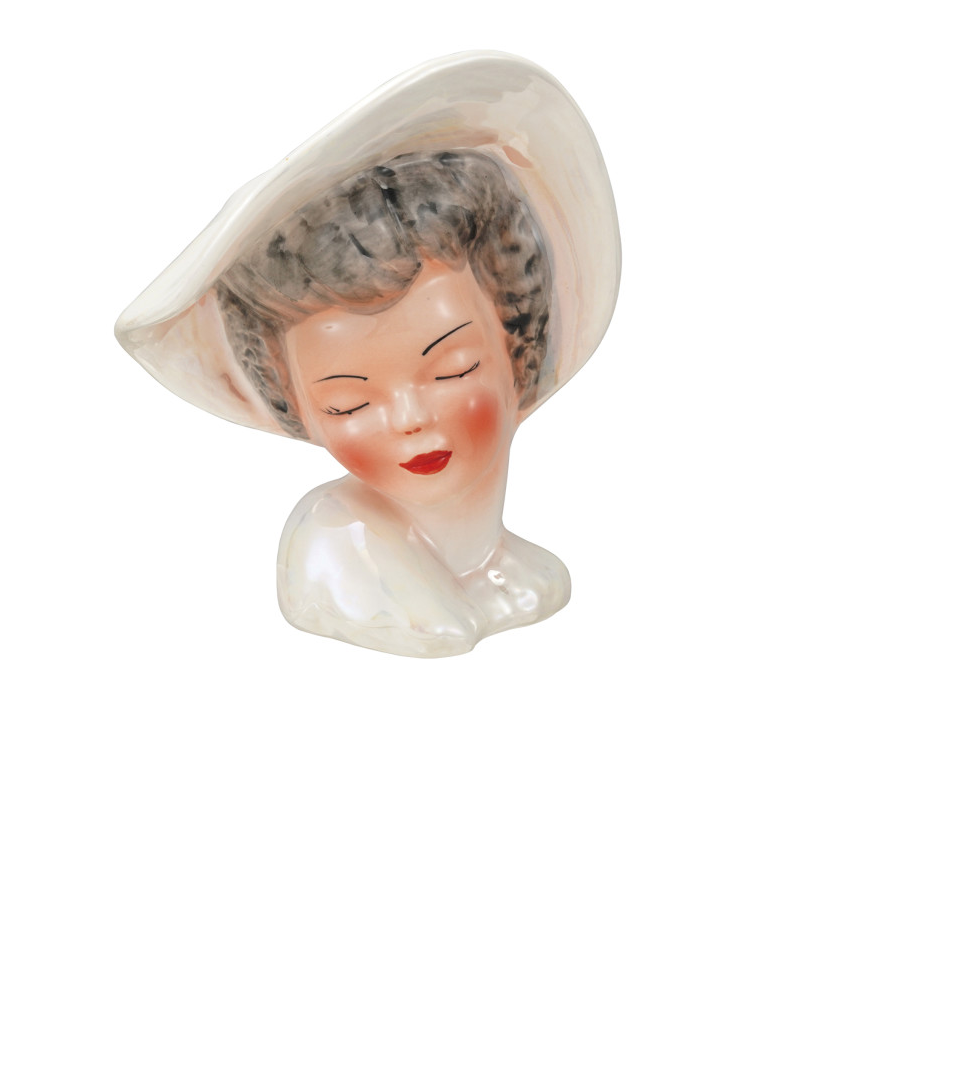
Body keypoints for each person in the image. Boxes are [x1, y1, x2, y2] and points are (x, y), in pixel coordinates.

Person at [115, 52, 620, 658]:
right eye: (348, 403)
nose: (409, 417)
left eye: (453, 369)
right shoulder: (338, 552)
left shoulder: (519, 571)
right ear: (296, 406)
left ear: (518, 345)